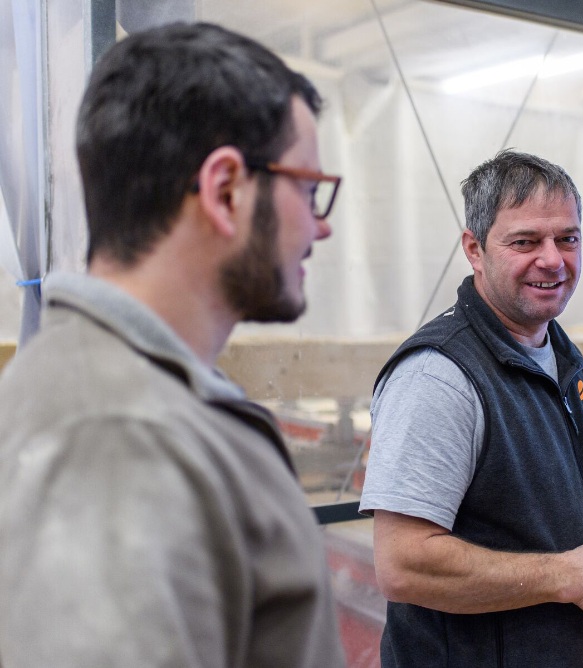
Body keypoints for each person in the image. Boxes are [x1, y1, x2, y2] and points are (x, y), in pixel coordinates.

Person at [0, 22, 345, 667]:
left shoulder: (121, 395)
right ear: (224, 191)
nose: (320, 225)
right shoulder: (119, 435)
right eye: (307, 186)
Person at [359, 149, 583, 667]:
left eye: (567, 239)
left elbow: (556, 482)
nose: (552, 259)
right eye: (525, 241)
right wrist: (568, 575)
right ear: (474, 249)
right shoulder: (439, 376)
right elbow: (403, 564)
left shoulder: (559, 352)